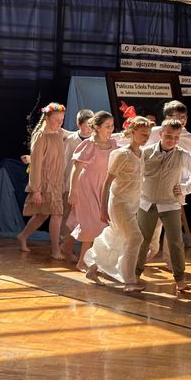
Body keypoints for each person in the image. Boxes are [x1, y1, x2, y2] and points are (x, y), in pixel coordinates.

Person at [134, 119, 191, 293]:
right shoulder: (146, 152)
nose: (172, 140)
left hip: (171, 205)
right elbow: (134, 173)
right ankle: (134, 275)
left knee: (176, 242)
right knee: (142, 241)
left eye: (176, 137)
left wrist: (185, 188)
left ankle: (180, 278)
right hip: (147, 204)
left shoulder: (182, 155)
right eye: (168, 136)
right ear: (160, 134)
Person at [84, 117, 153, 293]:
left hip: (132, 204)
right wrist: (102, 209)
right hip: (119, 204)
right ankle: (129, 281)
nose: (146, 137)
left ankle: (93, 268)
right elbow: (107, 182)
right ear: (132, 132)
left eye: (148, 134)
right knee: (136, 238)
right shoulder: (123, 154)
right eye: (143, 134)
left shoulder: (142, 154)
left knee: (118, 239)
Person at [145, 101, 191, 262]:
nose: (180, 119)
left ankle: (170, 259)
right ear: (166, 118)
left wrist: (186, 187)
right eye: (176, 116)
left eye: (183, 116)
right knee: (153, 224)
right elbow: (130, 141)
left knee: (172, 227)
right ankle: (152, 249)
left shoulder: (190, 139)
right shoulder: (155, 132)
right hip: (152, 187)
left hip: (174, 189)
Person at [66, 111, 118, 271]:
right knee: (93, 224)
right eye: (107, 126)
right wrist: (73, 190)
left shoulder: (113, 143)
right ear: (97, 127)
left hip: (103, 188)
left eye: (112, 126)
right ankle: (82, 262)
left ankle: (68, 249)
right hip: (86, 188)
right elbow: (76, 168)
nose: (111, 129)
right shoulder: (89, 144)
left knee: (98, 224)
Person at [17, 103, 67, 259]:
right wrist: (36, 190)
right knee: (56, 213)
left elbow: (76, 134)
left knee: (42, 215)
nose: (59, 123)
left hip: (57, 181)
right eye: (56, 120)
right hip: (45, 181)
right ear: (47, 118)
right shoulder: (40, 136)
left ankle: (22, 236)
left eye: (62, 119)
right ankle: (55, 250)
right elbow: (36, 164)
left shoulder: (59, 133)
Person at [59, 109, 94, 259]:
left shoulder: (95, 141)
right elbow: (64, 161)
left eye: (91, 125)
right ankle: (64, 245)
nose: (89, 129)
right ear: (79, 124)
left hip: (88, 185)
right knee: (67, 215)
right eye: (86, 125)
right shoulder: (71, 140)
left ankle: (72, 247)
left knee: (82, 217)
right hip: (69, 184)